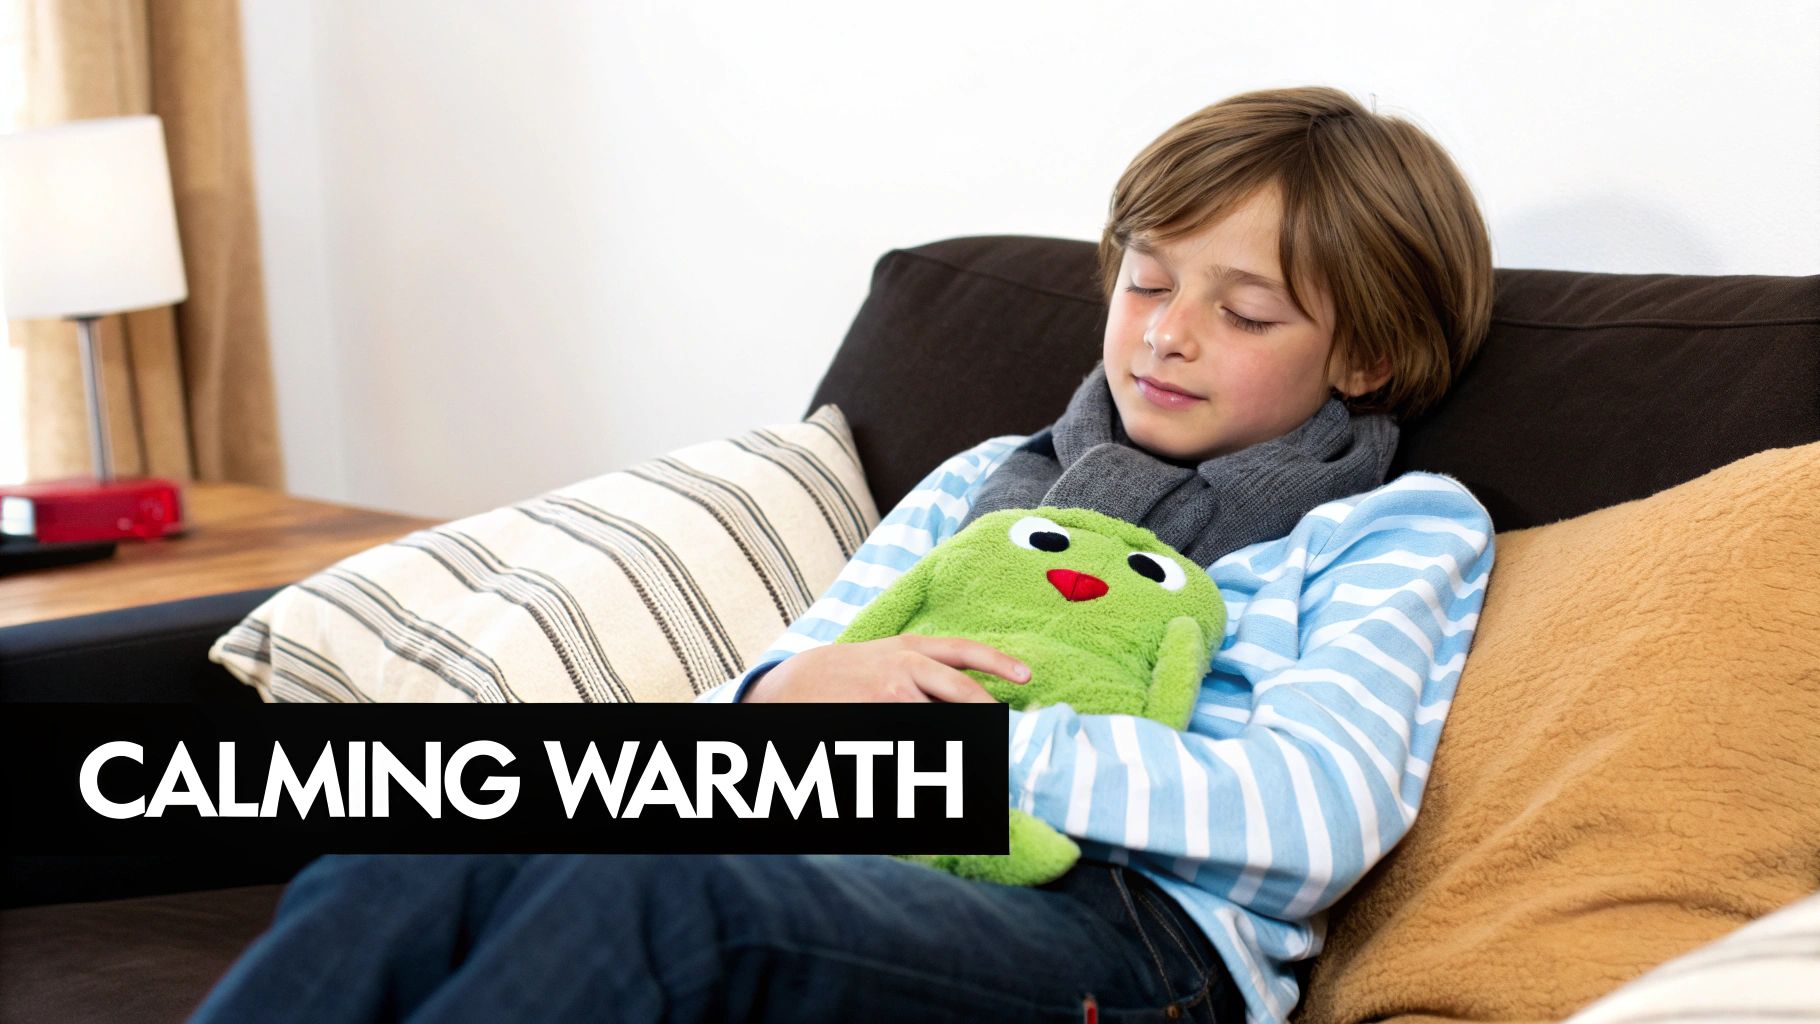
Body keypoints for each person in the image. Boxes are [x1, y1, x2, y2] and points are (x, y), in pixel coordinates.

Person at [192, 85, 1497, 1024]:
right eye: (1147, 282)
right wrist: (776, 699)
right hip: (850, 838)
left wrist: (951, 756)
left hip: (1139, 936)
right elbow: (740, 722)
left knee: (659, 906)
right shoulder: (988, 481)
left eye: (1245, 309)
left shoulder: (1389, 527)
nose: (1168, 333)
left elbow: (1310, 818)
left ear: (1367, 354)